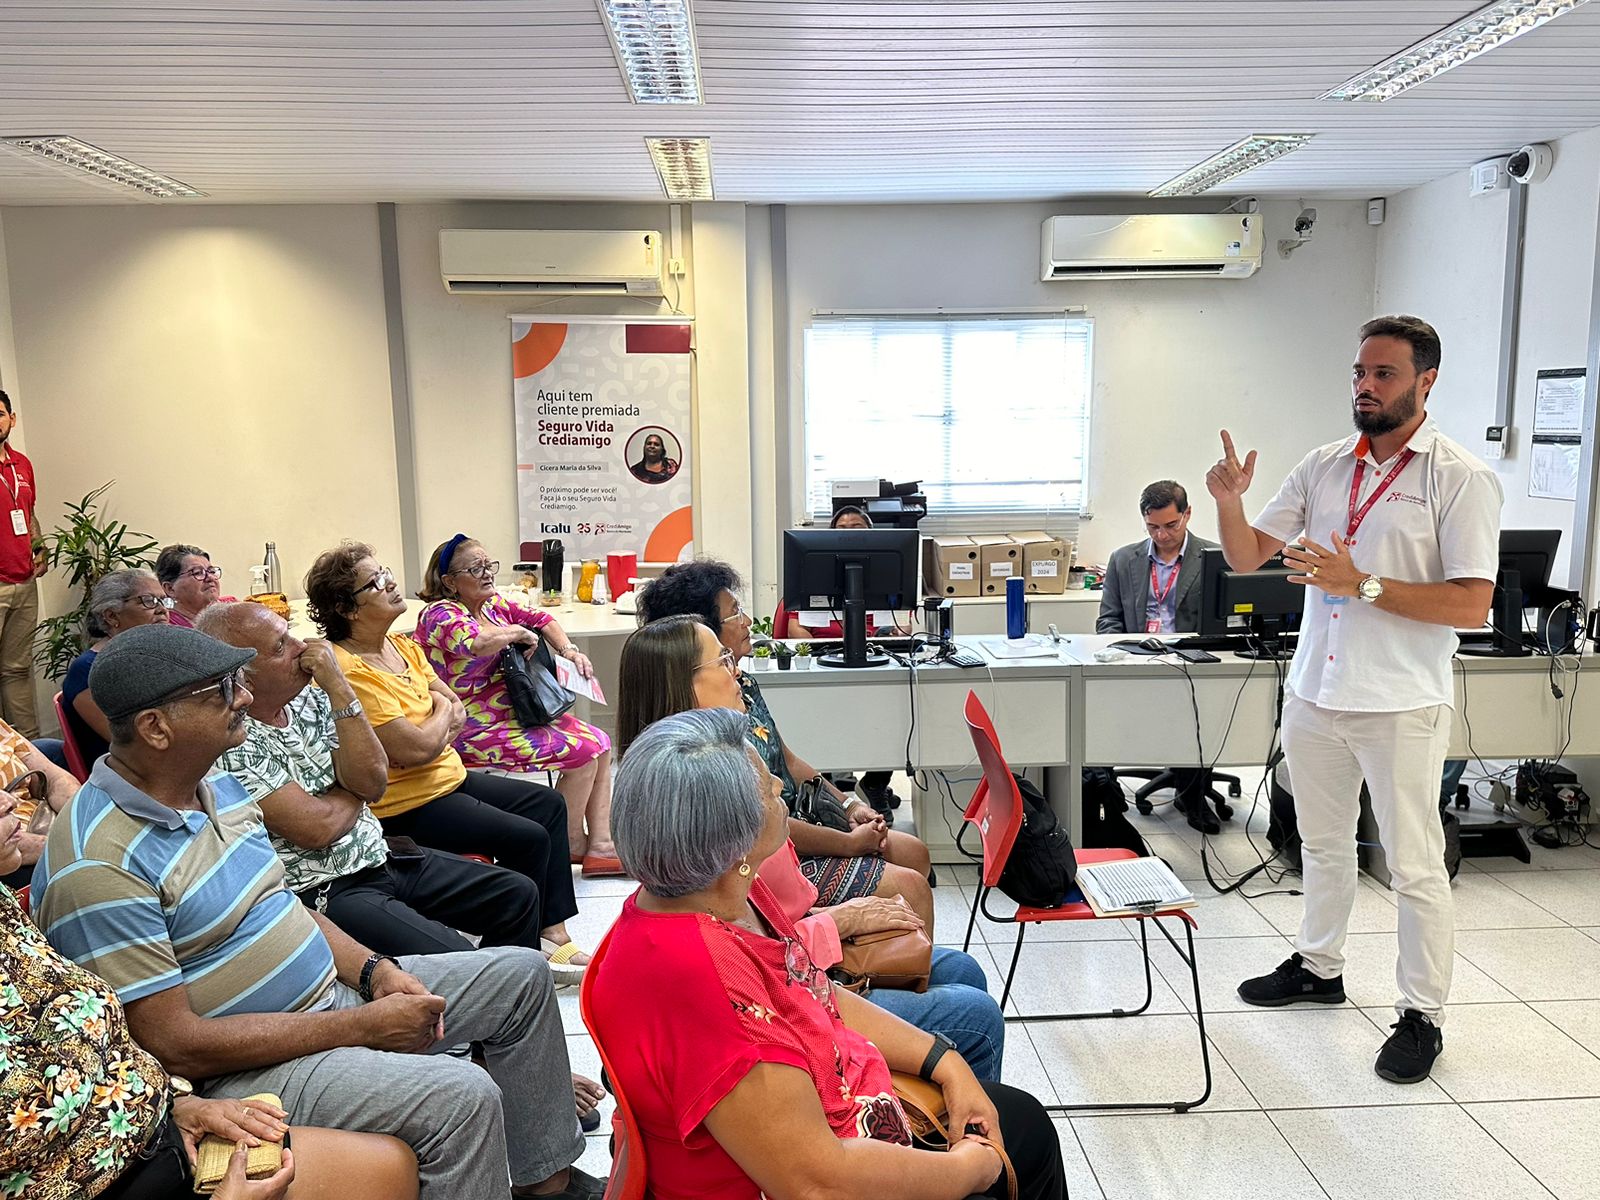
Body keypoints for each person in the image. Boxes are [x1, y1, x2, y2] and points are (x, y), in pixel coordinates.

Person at [31, 623, 606, 1199]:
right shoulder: (98, 864)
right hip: (241, 1071)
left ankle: (546, 1183)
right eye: (222, 690)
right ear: (156, 728)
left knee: (521, 975)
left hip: (326, 1002)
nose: (245, 697)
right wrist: (361, 1027)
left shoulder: (214, 782)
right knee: (462, 1096)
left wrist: (374, 972)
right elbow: (173, 1044)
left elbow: (283, 901)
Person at [589, 708, 1067, 1200]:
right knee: (1024, 1142)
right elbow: (815, 1183)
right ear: (735, 844)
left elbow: (813, 993)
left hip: (842, 1107)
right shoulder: (704, 982)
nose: (779, 785)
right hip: (812, 1170)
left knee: (1022, 1118)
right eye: (767, 788)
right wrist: (969, 1171)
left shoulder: (722, 892)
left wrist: (945, 1063)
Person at [1208, 314, 1501, 1085]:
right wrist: (1229, 501)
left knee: (1414, 865)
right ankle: (1319, 966)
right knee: (1322, 845)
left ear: (1426, 381)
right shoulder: (1325, 465)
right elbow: (1246, 554)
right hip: (1315, 691)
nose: (1366, 387)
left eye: (1384, 374)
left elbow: (1472, 604)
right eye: (1359, 373)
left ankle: (1421, 1015)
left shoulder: (1459, 477)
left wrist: (1361, 584)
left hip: (1399, 702)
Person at [195, 601, 609, 1133]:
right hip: (325, 890)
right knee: (471, 966)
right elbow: (317, 828)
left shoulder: (316, 696)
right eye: (281, 646)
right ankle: (501, 1069)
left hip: (381, 854)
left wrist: (340, 696)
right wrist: (354, 789)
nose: (303, 649)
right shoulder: (232, 739)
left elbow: (373, 781)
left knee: (516, 894)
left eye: (292, 635)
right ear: (242, 675)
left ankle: (510, 1057)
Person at [615, 614, 1004, 1081]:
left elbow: (768, 934)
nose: (736, 667)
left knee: (963, 969)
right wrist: (841, 918)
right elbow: (759, 968)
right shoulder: (701, 802)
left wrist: (846, 812)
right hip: (792, 984)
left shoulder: (721, 769)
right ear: (683, 682)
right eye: (722, 660)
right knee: (975, 1013)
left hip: (798, 954)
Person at [1, 793, 420, 1200]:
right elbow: (174, 1043)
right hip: (103, 1178)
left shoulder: (5, 910)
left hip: (154, 1125)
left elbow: (82, 1043)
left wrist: (175, 1102)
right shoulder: (95, 863)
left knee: (390, 1166)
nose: (7, 800)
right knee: (437, 1117)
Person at [304, 543, 591, 982]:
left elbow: (452, 707)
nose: (391, 582)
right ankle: (517, 962)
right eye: (376, 581)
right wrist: (436, 724)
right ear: (347, 608)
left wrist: (433, 726)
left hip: (446, 777)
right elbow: (415, 747)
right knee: (528, 837)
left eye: (385, 571)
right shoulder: (350, 670)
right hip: (407, 802)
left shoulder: (401, 646)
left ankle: (551, 931)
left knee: (548, 805)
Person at [637, 560, 934, 927]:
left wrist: (848, 805)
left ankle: (878, 950)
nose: (747, 621)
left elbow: (788, 760)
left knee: (914, 852)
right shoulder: (699, 739)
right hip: (771, 855)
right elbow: (762, 825)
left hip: (795, 825)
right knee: (910, 886)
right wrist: (848, 844)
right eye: (735, 613)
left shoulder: (743, 686)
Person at [414, 535, 618, 877]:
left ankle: (601, 843)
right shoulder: (440, 614)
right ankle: (570, 843)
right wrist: (517, 633)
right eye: (475, 569)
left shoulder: (492, 605)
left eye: (488, 565)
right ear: (449, 582)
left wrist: (569, 651)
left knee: (601, 743)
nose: (487, 573)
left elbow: (541, 619)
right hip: (468, 726)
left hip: (512, 715)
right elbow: (477, 642)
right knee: (582, 754)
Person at [1096, 479, 1228, 833]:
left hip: (1191, 661)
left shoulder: (1214, 556)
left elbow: (1222, 621)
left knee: (1198, 717)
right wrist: (1125, 650)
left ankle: (1193, 796)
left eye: (1171, 525)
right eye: (1153, 527)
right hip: (1139, 660)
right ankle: (1108, 794)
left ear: (1187, 514)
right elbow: (1107, 620)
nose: (1162, 535)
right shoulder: (1123, 559)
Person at [778, 505, 909, 819]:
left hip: (873, 657)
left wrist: (888, 634)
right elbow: (796, 631)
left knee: (896, 710)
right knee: (822, 719)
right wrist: (825, 647)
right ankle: (827, 789)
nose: (850, 533)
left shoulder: (885, 572)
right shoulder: (813, 573)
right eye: (842, 528)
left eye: (858, 527)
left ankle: (876, 783)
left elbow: (903, 626)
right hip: (823, 661)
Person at [64, 567, 176, 769]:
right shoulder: (87, 671)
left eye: (163, 600)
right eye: (149, 601)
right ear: (111, 616)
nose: (162, 609)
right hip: (129, 775)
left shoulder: (154, 656)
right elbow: (135, 746)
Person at [0, 389, 46, 739]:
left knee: (16, 669)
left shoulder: (22, 464)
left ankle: (31, 749)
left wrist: (39, 547)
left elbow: (27, 513)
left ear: (11, 419)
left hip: (25, 582)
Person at [0, 704, 84, 890]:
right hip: (16, 854)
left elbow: (55, 778)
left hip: (48, 819)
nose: (10, 802)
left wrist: (83, 821)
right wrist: (65, 847)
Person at [157, 543, 228, 628]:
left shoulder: (230, 607)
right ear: (170, 588)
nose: (210, 577)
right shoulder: (166, 627)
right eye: (197, 573)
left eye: (212, 571)